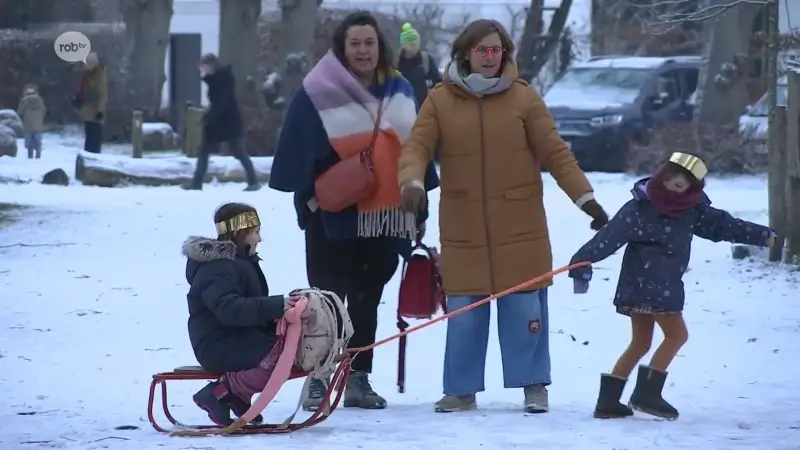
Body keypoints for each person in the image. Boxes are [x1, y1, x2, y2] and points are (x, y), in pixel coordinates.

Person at [397, 18, 609, 414]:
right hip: (463, 224)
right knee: (464, 313)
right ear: (465, 53)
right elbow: (416, 148)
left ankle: (533, 386)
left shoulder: (523, 98)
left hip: (520, 224)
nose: (490, 57)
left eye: (496, 49)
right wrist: (411, 182)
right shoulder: (440, 99)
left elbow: (556, 153)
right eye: (482, 49)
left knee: (525, 310)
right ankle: (461, 390)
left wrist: (586, 200)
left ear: (505, 53)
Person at [269, 11, 439, 411]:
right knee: (327, 302)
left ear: (380, 47)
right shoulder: (318, 88)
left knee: (367, 299)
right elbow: (297, 146)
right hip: (332, 212)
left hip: (385, 214)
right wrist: (309, 200)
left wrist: (419, 206)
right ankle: (318, 378)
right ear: (342, 48)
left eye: (369, 43)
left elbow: (413, 149)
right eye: (355, 43)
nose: (363, 50)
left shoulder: (398, 88)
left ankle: (358, 378)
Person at [568, 152, 775, 420]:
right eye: (669, 181)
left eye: (680, 186)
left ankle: (608, 401)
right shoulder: (639, 208)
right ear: (660, 177)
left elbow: (723, 226)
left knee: (641, 342)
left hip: (643, 285)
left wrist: (760, 234)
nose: (672, 189)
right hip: (656, 286)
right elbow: (610, 237)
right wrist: (582, 260)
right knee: (677, 335)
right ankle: (647, 394)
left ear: (692, 188)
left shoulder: (691, 211)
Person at [182, 202, 298, 426]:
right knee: (281, 358)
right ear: (239, 233)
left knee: (289, 350)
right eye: (255, 232)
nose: (259, 239)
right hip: (218, 345)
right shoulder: (217, 268)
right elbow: (230, 310)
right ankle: (221, 391)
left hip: (237, 339)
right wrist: (276, 306)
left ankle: (236, 395)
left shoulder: (238, 263)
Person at [182, 53, 261, 192]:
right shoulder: (213, 80)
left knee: (238, 151)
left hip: (228, 121)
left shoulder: (223, 79)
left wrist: (208, 116)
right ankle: (196, 182)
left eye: (204, 66)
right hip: (218, 122)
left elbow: (222, 102)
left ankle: (253, 181)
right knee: (204, 151)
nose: (202, 69)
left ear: (211, 65)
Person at [395, 23, 442, 110]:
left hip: (423, 108)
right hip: (401, 108)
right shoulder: (396, 62)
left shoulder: (426, 60)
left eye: (416, 44)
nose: (414, 47)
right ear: (403, 45)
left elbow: (438, 82)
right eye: (411, 44)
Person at [73, 52, 106, 154]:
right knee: (89, 135)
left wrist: (100, 110)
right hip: (87, 109)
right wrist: (78, 99)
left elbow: (102, 94)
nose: (86, 65)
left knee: (95, 137)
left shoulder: (99, 75)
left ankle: (94, 156)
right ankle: (88, 155)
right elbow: (81, 89)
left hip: (95, 110)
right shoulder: (86, 75)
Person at [17, 83, 46, 159]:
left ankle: (30, 156)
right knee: (38, 142)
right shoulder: (40, 100)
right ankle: (38, 155)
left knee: (29, 143)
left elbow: (20, 112)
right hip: (38, 125)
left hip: (28, 125)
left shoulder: (24, 101)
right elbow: (44, 111)